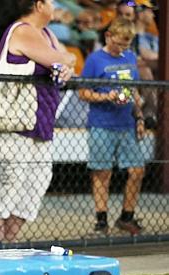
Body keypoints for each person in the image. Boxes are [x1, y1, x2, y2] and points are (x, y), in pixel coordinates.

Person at [0, 0, 75, 243]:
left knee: (34, 186)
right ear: (38, 5)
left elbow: (66, 61)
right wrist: (64, 61)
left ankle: (10, 245)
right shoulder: (23, 30)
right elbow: (57, 58)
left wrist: (65, 62)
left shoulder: (47, 33)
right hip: (12, 125)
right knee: (7, 184)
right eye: (48, 1)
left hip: (40, 124)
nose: (53, 5)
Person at [78, 17, 145, 236]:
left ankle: (127, 216)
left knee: (137, 170)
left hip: (126, 123)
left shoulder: (130, 58)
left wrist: (140, 117)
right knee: (102, 172)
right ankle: (101, 220)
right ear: (108, 36)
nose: (121, 49)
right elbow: (83, 93)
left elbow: (134, 91)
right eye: (118, 44)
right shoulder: (95, 60)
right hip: (102, 123)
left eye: (125, 46)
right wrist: (107, 96)